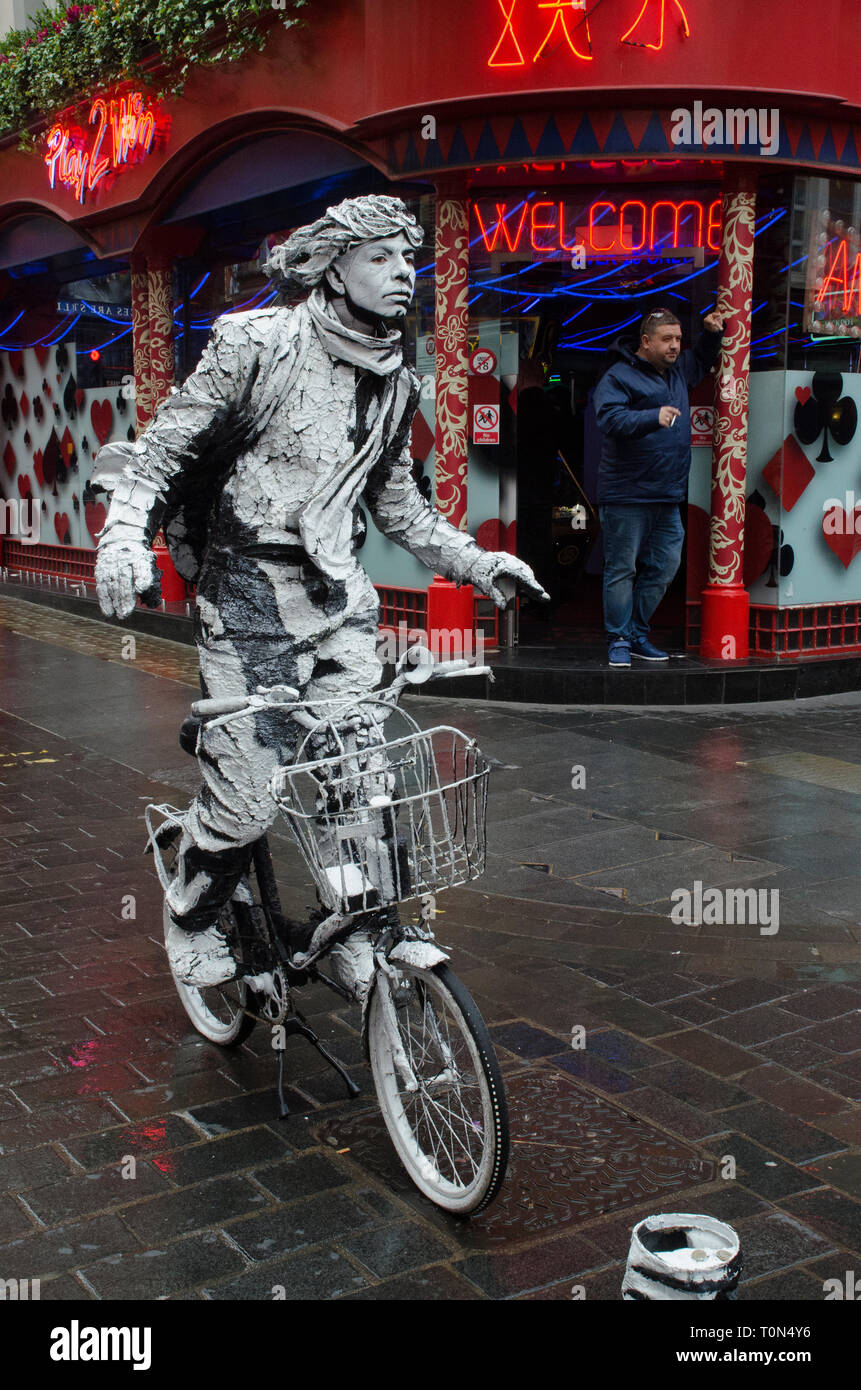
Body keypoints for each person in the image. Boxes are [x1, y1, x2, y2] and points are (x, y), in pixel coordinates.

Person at [94, 195, 547, 987]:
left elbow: (399, 506)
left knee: (359, 786)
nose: (403, 273)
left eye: (408, 258)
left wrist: (476, 562)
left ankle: (351, 933)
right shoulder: (257, 344)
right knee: (248, 803)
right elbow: (162, 453)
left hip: (339, 602)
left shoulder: (396, 383)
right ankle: (190, 916)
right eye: (380, 257)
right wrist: (122, 538)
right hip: (244, 599)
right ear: (333, 266)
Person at [593, 306, 725, 667]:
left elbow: (701, 360)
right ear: (646, 341)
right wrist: (654, 416)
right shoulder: (618, 376)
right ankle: (618, 638)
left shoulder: (680, 368)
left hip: (667, 493)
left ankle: (636, 632)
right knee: (622, 569)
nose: (674, 346)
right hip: (626, 491)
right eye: (667, 339)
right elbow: (608, 417)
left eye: (679, 339)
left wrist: (712, 334)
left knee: (665, 565)